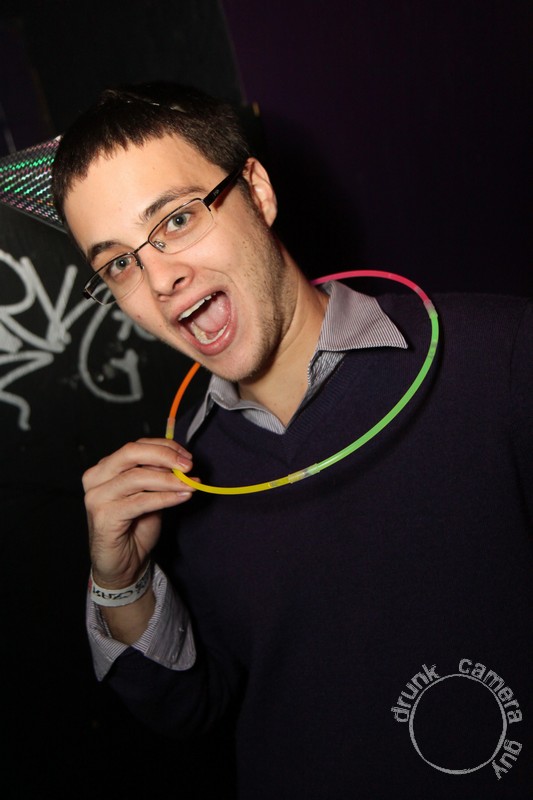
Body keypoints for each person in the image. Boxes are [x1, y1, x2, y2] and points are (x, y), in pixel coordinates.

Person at [52, 83, 532, 799]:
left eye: (177, 219)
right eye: (119, 263)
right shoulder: (182, 481)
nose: (160, 278)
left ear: (256, 191)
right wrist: (122, 580)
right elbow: (190, 708)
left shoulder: (501, 355)